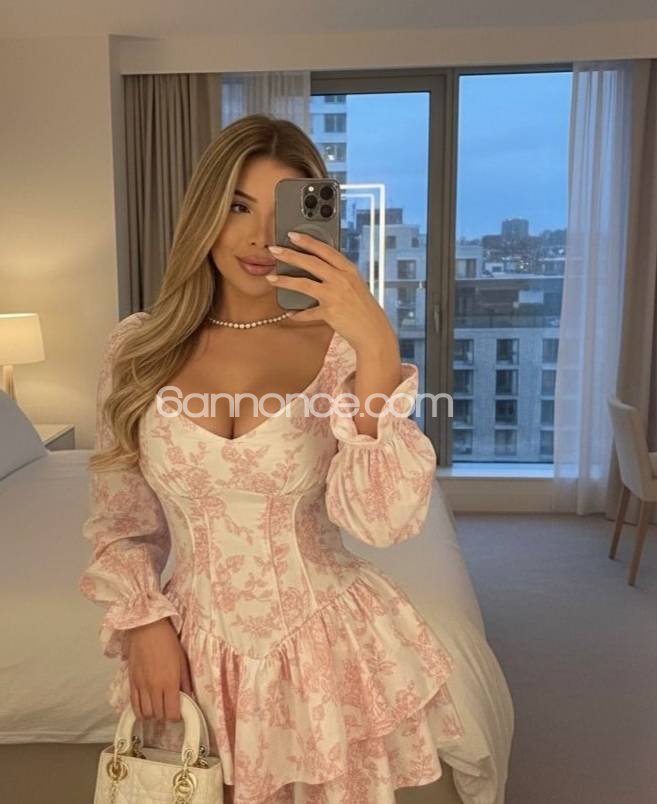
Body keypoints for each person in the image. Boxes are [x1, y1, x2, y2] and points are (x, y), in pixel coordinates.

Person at [79, 113, 465, 804]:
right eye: (237, 207)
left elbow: (383, 522)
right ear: (204, 215)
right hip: (190, 653)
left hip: (323, 652)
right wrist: (143, 622)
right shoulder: (138, 348)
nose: (260, 238)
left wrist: (377, 346)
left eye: (279, 213)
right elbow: (122, 522)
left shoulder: (342, 351)